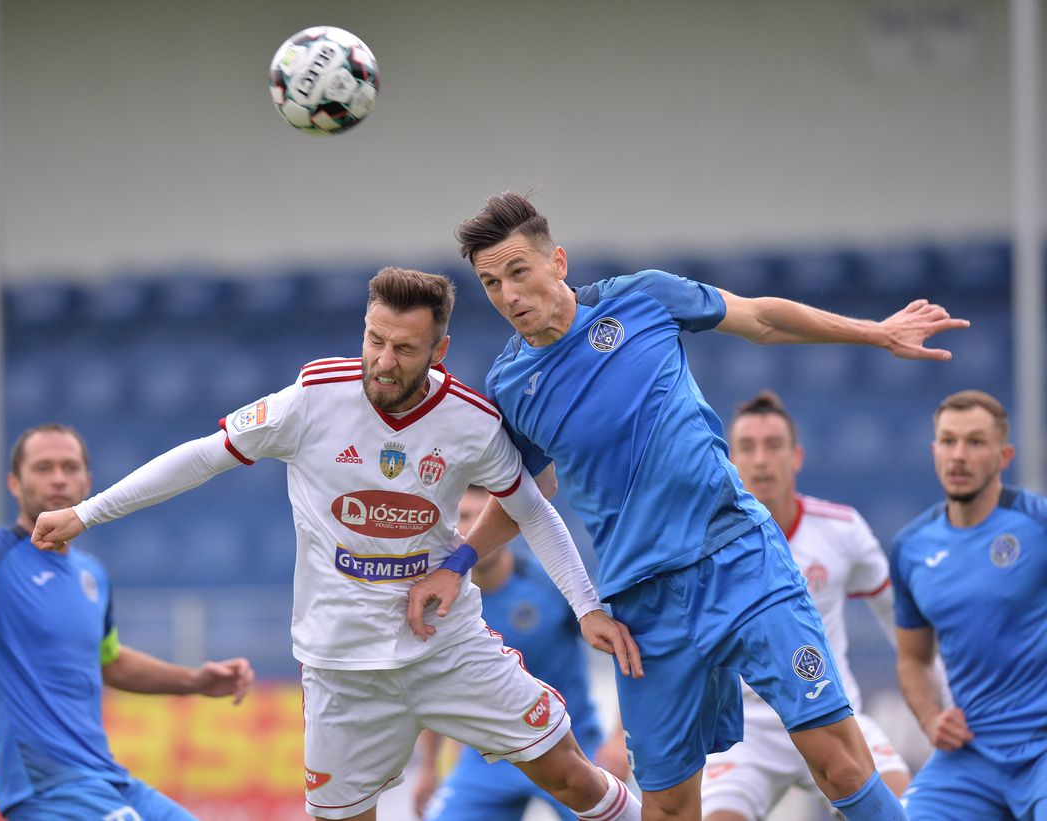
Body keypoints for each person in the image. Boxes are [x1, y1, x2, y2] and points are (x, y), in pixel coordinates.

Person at [407, 192, 969, 821]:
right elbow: (523, 498)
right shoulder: (512, 387)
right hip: (644, 609)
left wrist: (876, 333)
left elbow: (759, 318)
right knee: (669, 807)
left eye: (518, 272)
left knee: (837, 760)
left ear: (557, 262)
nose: (508, 294)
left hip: (737, 559)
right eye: (490, 283)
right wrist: (457, 561)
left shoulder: (640, 298)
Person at [31, 268, 645, 821]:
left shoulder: (470, 422)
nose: (383, 360)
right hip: (340, 669)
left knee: (570, 777)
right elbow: (201, 458)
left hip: (445, 650)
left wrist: (586, 604)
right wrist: (88, 512)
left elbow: (533, 510)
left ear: (440, 350)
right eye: (374, 340)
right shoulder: (312, 399)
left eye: (404, 349)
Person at [0, 423, 254, 820]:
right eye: (43, 468)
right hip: (48, 791)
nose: (58, 478)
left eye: (69, 467)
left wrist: (195, 681)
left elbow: (108, 661)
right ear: (14, 483)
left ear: (88, 481)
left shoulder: (92, 574)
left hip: (109, 780)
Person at [702, 390, 923, 820]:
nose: (761, 458)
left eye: (774, 445)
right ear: (729, 459)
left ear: (796, 457)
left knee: (909, 808)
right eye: (747, 447)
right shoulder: (704, 545)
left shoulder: (842, 529)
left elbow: (902, 622)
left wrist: (935, 706)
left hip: (835, 713)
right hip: (747, 733)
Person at [414, 484, 630, 821]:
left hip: (574, 745)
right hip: (488, 759)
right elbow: (435, 683)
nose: (468, 531)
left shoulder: (553, 584)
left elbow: (623, 652)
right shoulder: (443, 605)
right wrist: (429, 769)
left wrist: (619, 740)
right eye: (458, 521)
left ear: (499, 524)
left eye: (477, 517)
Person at [892, 390, 1047, 820]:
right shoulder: (910, 548)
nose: (958, 455)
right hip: (971, 753)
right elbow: (912, 659)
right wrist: (930, 718)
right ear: (934, 450)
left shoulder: (1038, 523)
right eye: (948, 441)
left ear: (1005, 455)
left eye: (975, 442)